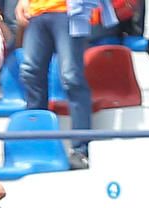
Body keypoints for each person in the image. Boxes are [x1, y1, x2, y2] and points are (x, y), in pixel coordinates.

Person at [16, 0, 92, 168]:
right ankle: (38, 144)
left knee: (71, 78)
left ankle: (81, 149)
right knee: (30, 73)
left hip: (68, 11)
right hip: (36, 12)